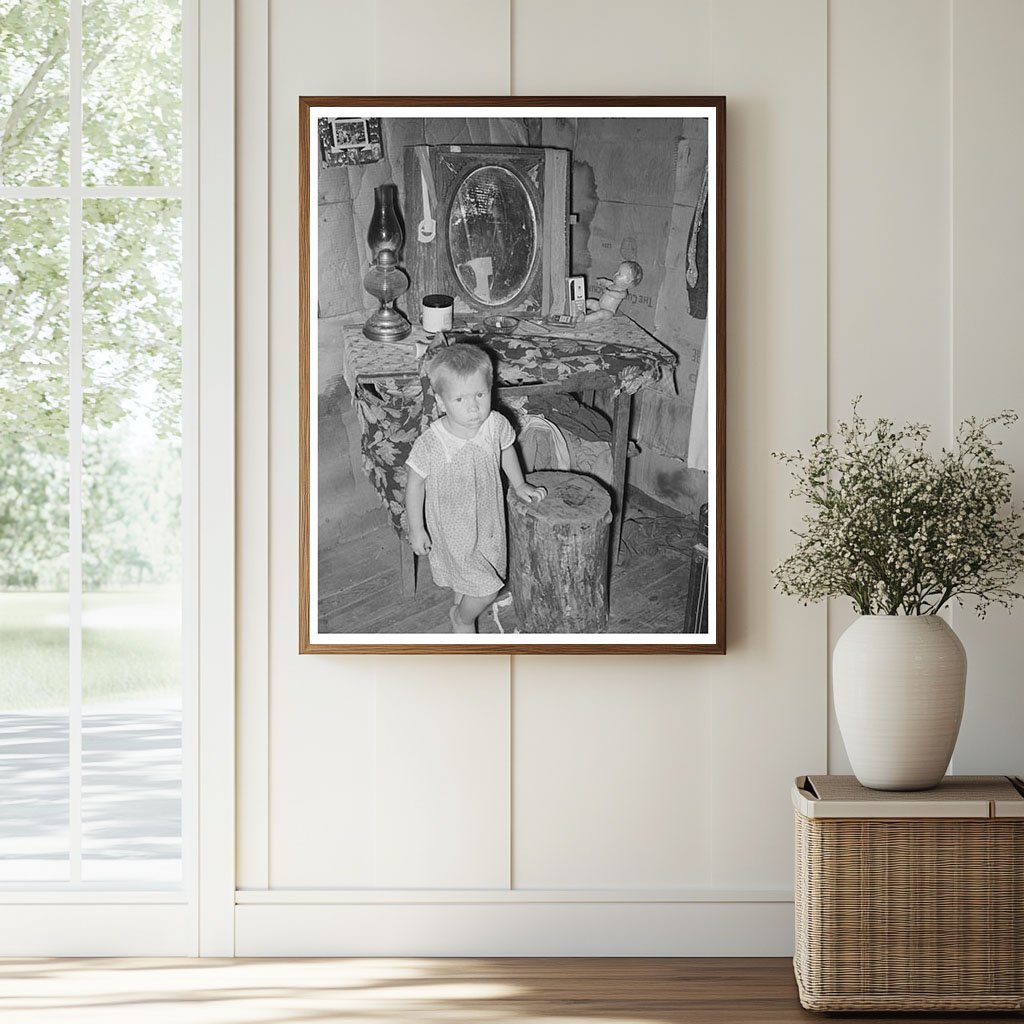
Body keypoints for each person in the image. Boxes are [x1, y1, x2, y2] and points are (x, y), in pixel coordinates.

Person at [405, 343, 546, 633]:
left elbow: (506, 448)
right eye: (460, 399)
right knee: (485, 590)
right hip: (453, 529)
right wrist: (416, 528)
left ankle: (463, 644)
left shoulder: (495, 423)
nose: (473, 407)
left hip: (488, 522)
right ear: (442, 402)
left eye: (480, 395)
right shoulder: (432, 443)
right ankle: (463, 618)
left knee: (469, 582)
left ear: (490, 390)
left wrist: (519, 484)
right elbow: (415, 484)